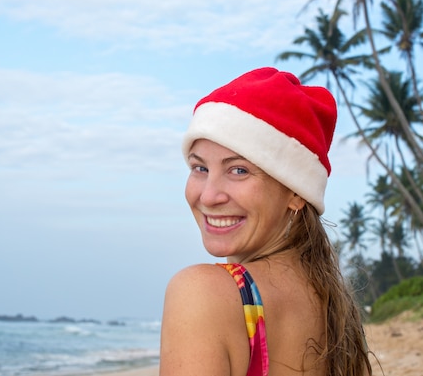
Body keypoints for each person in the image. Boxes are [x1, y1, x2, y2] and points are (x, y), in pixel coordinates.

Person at [159, 67, 372, 376]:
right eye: (199, 168)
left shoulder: (203, 294)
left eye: (239, 170)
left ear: (296, 193)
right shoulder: (333, 307)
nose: (208, 196)